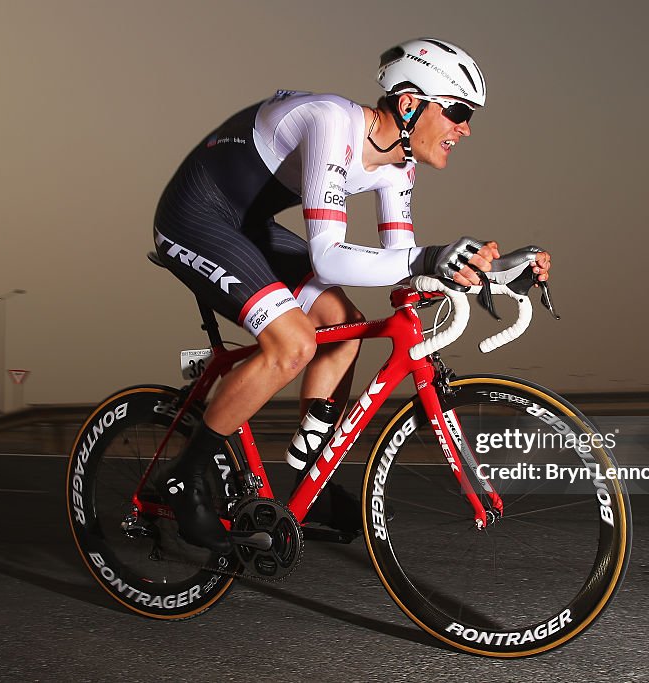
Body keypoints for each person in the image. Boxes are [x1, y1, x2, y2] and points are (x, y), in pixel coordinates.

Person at [152, 38, 551, 553]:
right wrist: (430, 258)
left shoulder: (398, 166)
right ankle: (187, 476)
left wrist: (494, 272)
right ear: (410, 104)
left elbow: (403, 266)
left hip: (247, 225)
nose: (465, 128)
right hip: (195, 216)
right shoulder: (331, 121)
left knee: (343, 325)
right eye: (457, 111)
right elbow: (330, 257)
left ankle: (306, 484)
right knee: (293, 342)